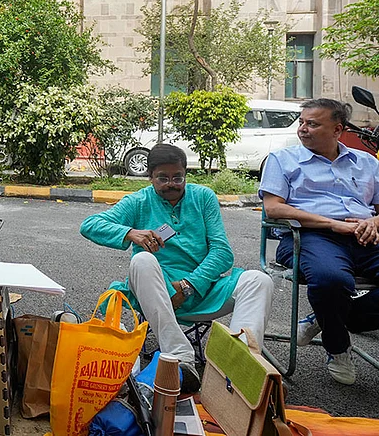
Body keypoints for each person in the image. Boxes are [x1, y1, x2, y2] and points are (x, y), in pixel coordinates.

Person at [80, 144, 273, 392]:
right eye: (162, 178)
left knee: (259, 280)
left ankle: (238, 365)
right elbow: (90, 225)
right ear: (150, 177)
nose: (171, 184)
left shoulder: (203, 197)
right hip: (157, 295)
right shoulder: (138, 201)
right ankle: (180, 356)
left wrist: (189, 285)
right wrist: (130, 233)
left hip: (203, 290)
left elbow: (222, 252)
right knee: (141, 260)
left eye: (177, 177)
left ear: (185, 175)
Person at [260, 98, 379, 385]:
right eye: (302, 122)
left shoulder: (366, 162)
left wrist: (373, 222)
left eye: (312, 124)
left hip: (365, 235)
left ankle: (332, 315)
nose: (303, 129)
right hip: (310, 235)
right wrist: (332, 224)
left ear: (337, 129)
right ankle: (337, 348)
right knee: (329, 280)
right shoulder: (283, 160)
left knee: (333, 296)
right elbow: (273, 208)